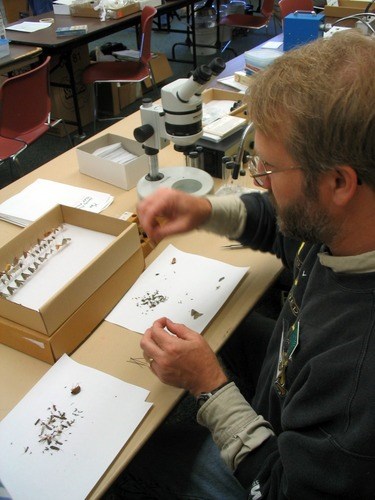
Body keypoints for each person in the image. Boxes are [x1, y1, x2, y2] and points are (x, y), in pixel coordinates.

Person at [114, 30, 375, 499]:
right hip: (294, 384)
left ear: (339, 182)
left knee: (132, 457)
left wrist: (210, 388)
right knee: (228, 330)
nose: (260, 182)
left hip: (282, 473)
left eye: (270, 170)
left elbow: (281, 490)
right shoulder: (348, 223)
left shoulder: (358, 377)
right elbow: (287, 228)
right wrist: (207, 211)